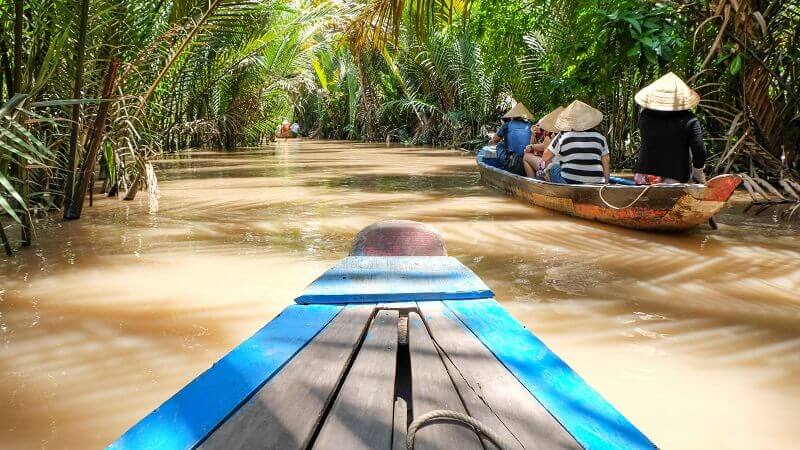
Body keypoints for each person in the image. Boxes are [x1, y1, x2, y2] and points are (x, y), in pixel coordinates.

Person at [634, 72, 707, 184]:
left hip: (643, 176)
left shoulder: (644, 115)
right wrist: (698, 174)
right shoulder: (690, 119)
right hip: (675, 178)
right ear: (681, 98)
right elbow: (699, 150)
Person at [536, 100, 610, 184]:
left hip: (568, 184)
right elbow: (606, 162)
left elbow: (545, 157)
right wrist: (606, 183)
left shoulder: (563, 135)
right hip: (596, 184)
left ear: (570, 121)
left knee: (554, 167)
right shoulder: (600, 137)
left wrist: (542, 168)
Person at [488, 102, 533, 176]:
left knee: (500, 145)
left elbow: (494, 141)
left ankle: (503, 165)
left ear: (512, 116)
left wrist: (490, 142)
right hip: (526, 158)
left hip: (512, 160)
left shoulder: (507, 125)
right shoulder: (530, 126)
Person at [523, 106, 563, 178]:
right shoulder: (543, 134)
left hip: (554, 167)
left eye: (539, 126)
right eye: (537, 125)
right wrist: (533, 135)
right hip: (559, 165)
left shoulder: (551, 133)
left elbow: (545, 150)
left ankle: (533, 183)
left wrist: (533, 147)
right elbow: (533, 145)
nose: (538, 127)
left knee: (526, 156)